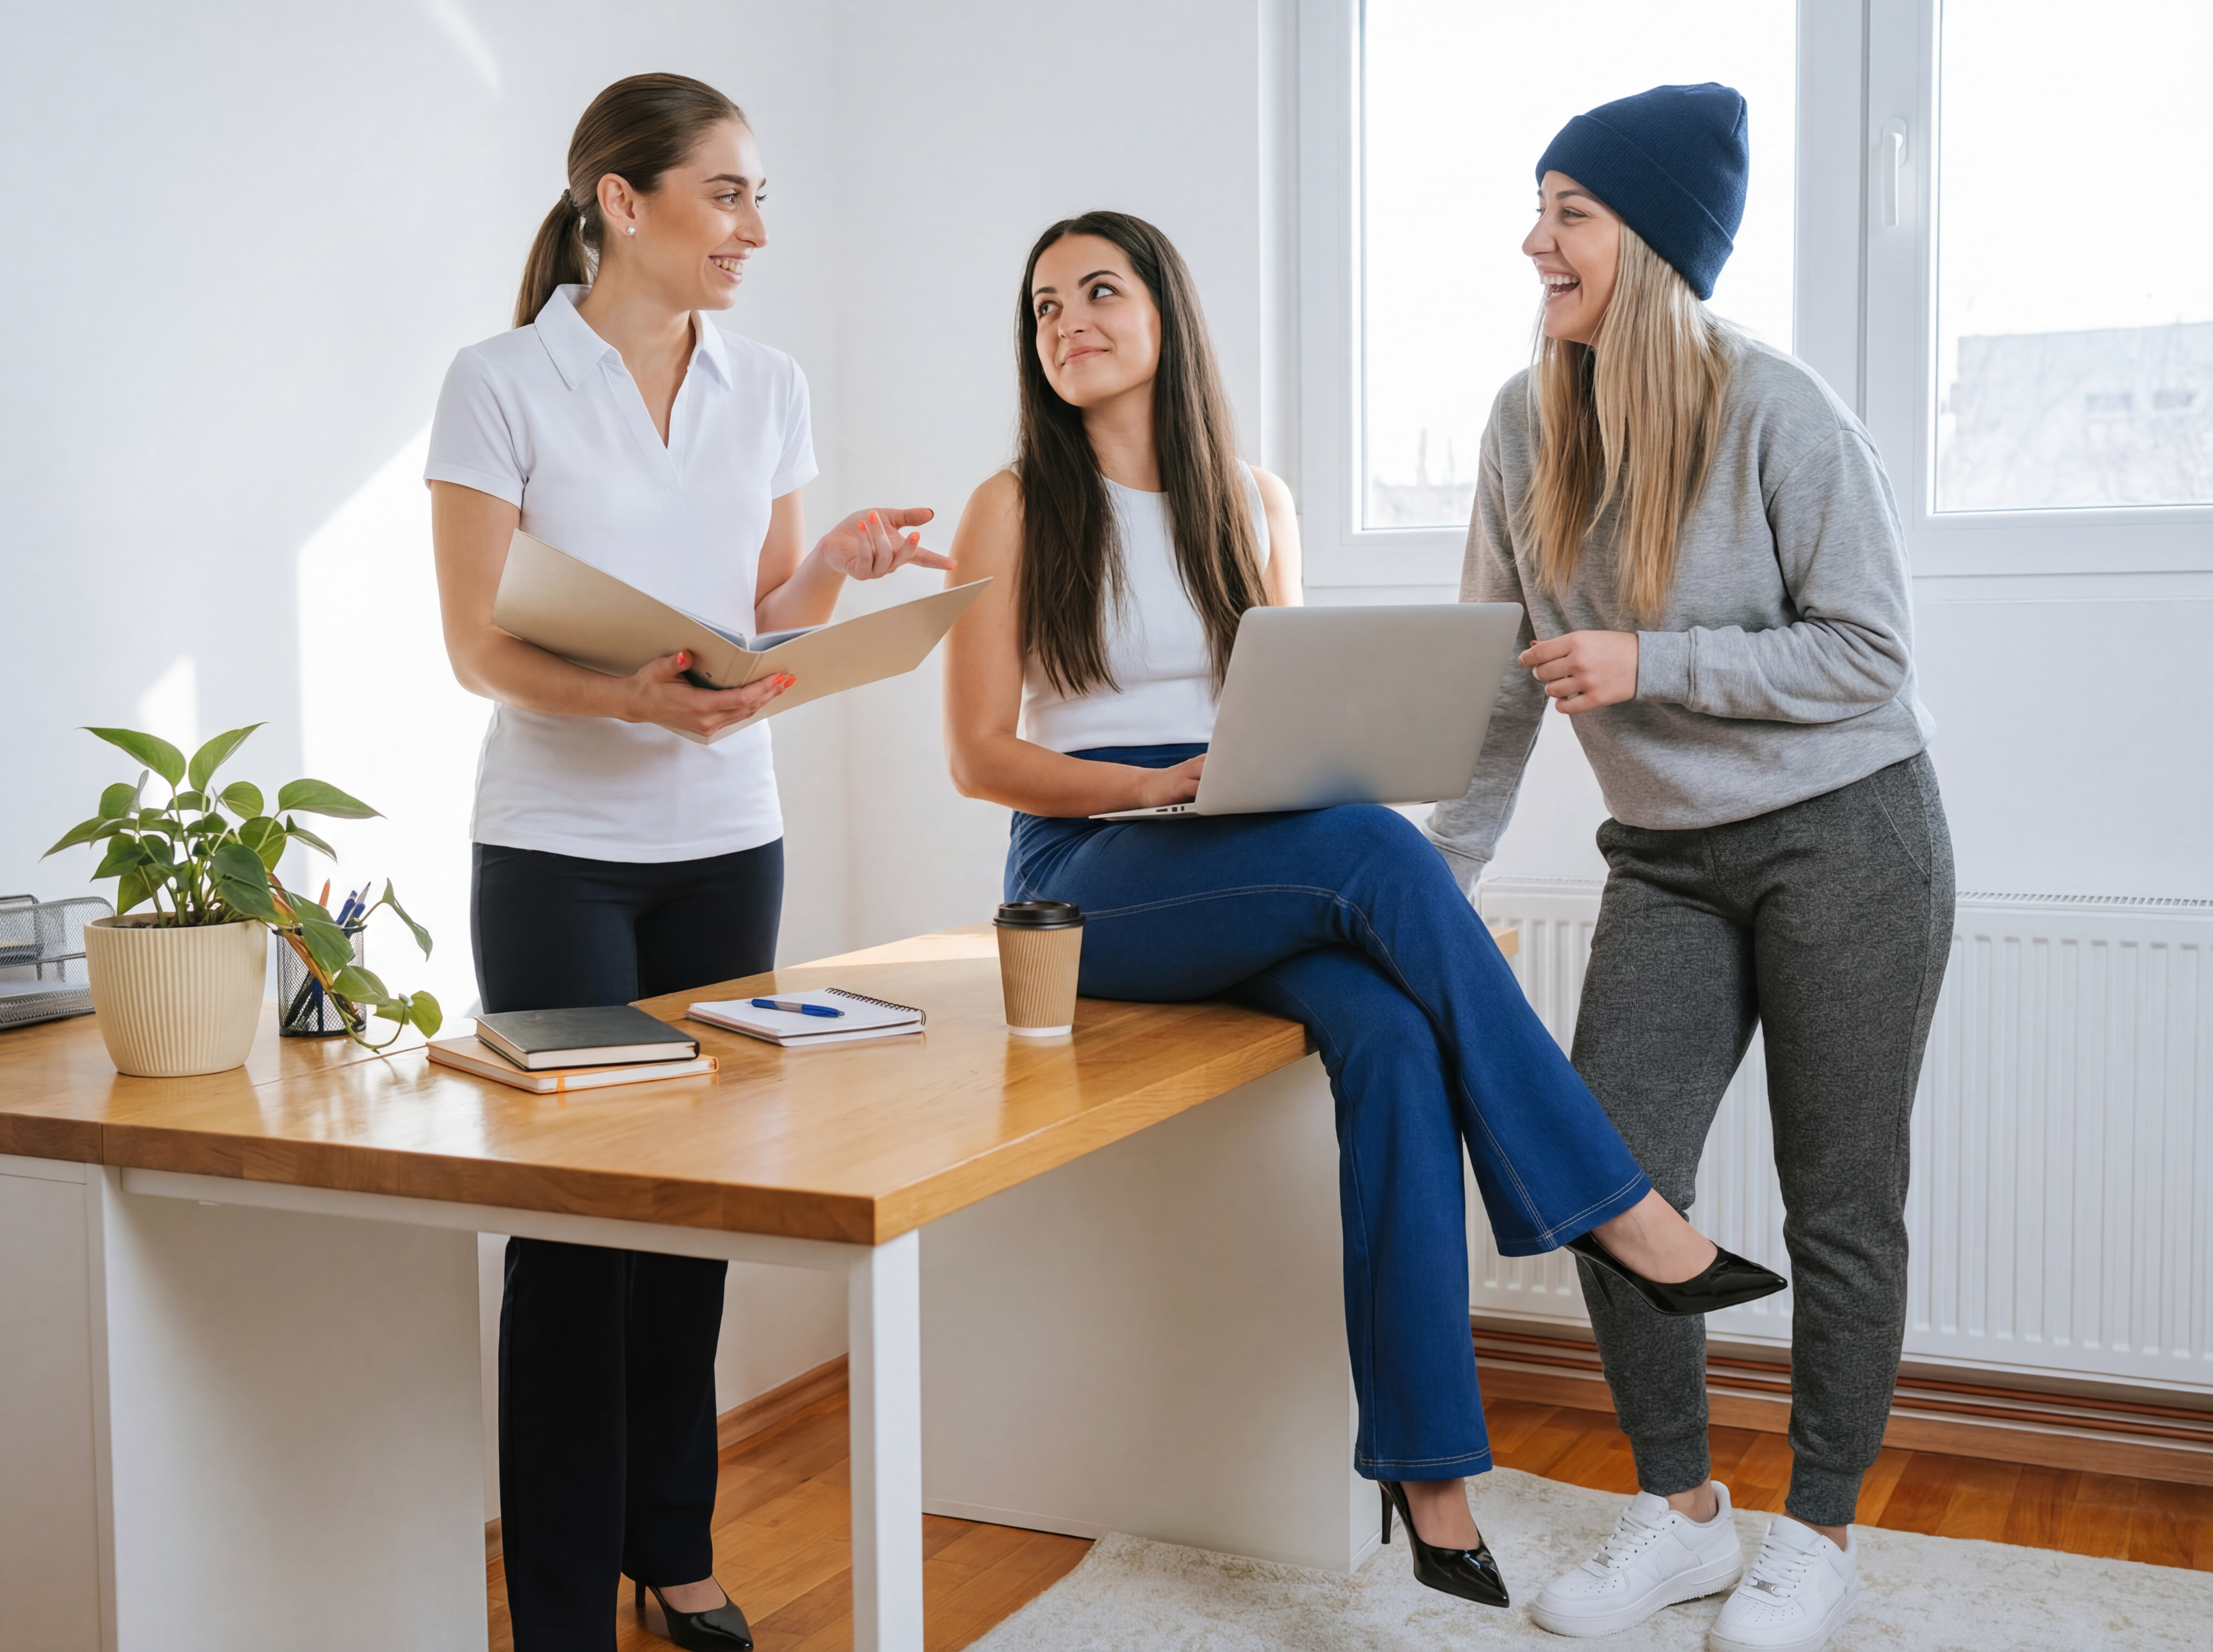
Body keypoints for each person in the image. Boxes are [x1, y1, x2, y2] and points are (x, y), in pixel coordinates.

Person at [941, 207, 1786, 1614]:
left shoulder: (1254, 504)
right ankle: (1617, 1207)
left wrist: (1253, 783)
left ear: (1166, 311)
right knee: (1375, 856)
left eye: (1098, 291)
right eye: (1042, 308)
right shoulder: (1016, 502)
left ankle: (1431, 1480)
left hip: (1248, 842)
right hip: (1088, 870)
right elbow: (980, 757)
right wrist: (1159, 793)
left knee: (1392, 1039)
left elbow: (1290, 715)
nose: (1067, 323)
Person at [1426, 85, 1956, 1652]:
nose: (1537, 241)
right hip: (1664, 859)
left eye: (1571, 211)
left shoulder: (1780, 411)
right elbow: (1496, 676)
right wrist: (1434, 878)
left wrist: (1656, 659)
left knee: (1840, 1200)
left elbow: (1869, 653)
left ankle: (1819, 1528)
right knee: (1613, 1176)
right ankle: (1683, 1516)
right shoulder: (1525, 426)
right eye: (1541, 206)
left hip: (1849, 833)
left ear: (1648, 243)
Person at [426, 73, 951, 1652]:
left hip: (729, 850)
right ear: (621, 201)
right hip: (558, 853)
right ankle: (569, 1594)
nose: (754, 229)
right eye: (726, 193)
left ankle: (677, 1542)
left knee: (697, 1211)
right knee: (578, 1228)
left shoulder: (766, 381)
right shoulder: (499, 380)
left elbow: (760, 615)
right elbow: (475, 646)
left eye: (758, 195)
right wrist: (629, 701)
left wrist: (831, 570)